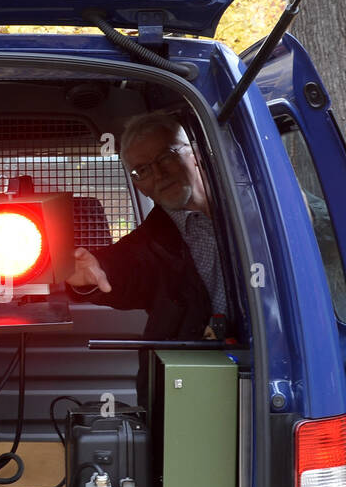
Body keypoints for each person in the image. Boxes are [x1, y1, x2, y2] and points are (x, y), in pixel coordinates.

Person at [66, 111, 228, 372]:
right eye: (143, 170)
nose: (159, 175)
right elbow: (122, 268)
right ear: (139, 185)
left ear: (195, 154)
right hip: (187, 375)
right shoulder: (151, 240)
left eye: (166, 157)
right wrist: (94, 272)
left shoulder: (257, 205)